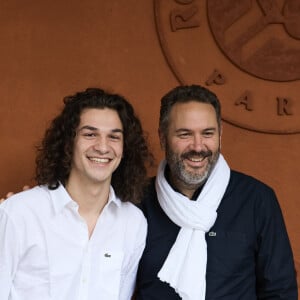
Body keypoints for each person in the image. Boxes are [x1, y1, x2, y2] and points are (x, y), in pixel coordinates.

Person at [135, 85, 298, 299]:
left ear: (220, 134)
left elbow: (280, 292)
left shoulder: (256, 199)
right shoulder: (138, 201)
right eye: (184, 134)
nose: (198, 146)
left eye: (207, 133)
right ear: (163, 137)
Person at [0, 87, 154, 300]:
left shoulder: (133, 222)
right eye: (90, 134)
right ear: (68, 142)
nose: (102, 147)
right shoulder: (18, 213)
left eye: (114, 137)